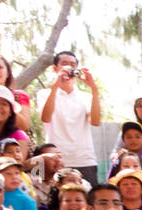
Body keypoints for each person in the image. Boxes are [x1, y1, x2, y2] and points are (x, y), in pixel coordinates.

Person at [38, 52, 101, 187]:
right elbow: (45, 117)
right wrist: (55, 87)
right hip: (56, 161)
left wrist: (94, 89)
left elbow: (95, 122)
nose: (69, 67)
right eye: (64, 64)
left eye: (73, 64)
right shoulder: (45, 94)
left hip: (84, 159)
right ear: (55, 68)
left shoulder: (86, 97)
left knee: (89, 202)